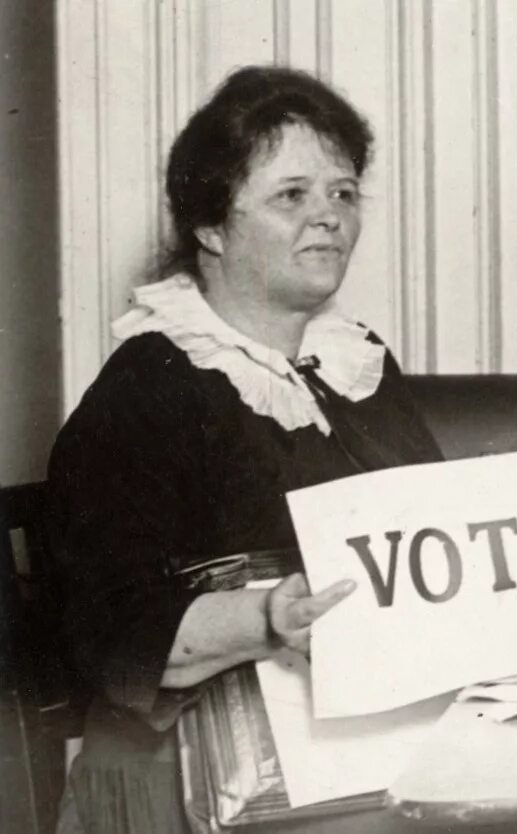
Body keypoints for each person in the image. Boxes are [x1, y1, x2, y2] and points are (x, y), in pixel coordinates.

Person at [44, 66, 445, 833]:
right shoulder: (150, 386)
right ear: (211, 227)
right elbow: (107, 634)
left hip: (349, 747)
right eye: (291, 195)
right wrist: (266, 616)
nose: (327, 216)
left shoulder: (352, 363)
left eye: (342, 193)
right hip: (199, 774)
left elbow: (423, 531)